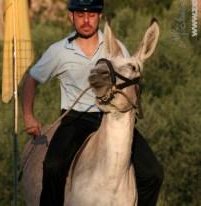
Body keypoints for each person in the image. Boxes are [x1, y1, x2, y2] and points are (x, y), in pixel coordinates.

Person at [22, 0, 164, 205]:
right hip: (76, 119)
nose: (86, 20)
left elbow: (129, 79)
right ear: (71, 17)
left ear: (99, 16)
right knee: (53, 166)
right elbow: (31, 79)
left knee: (153, 174)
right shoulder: (59, 50)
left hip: (109, 117)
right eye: (80, 15)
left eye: (91, 14)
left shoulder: (114, 47)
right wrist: (28, 115)